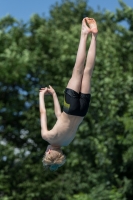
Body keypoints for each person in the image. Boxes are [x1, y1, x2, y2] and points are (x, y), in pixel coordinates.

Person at [39, 17, 98, 171]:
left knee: (88, 73)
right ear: (49, 151)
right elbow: (43, 112)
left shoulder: (67, 141)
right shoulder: (47, 137)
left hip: (81, 110)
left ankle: (94, 36)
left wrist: (53, 95)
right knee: (77, 71)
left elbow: (60, 116)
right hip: (70, 106)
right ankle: (84, 34)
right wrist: (41, 96)